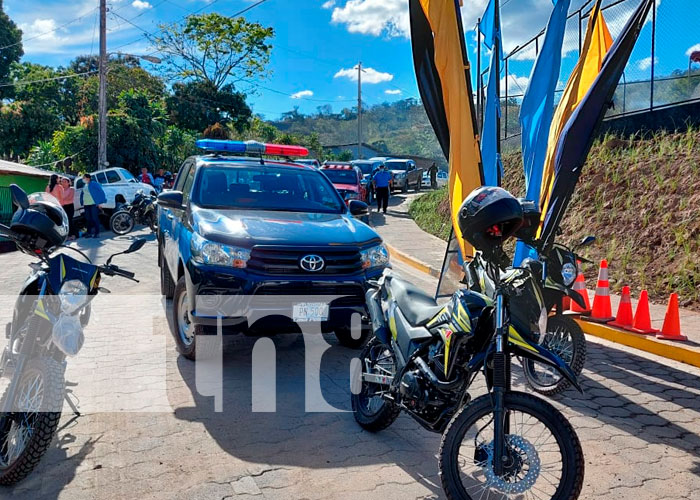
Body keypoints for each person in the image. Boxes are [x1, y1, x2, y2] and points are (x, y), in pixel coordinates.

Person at [80, 173, 107, 239]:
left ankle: (97, 233)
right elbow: (83, 194)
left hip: (93, 204)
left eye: (84, 177)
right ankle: (89, 233)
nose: (83, 179)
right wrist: (81, 202)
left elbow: (101, 192)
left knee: (95, 218)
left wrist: (100, 202)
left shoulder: (94, 184)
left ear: (88, 178)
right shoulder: (85, 185)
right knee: (88, 219)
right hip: (86, 204)